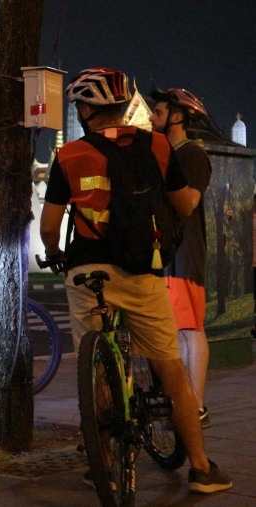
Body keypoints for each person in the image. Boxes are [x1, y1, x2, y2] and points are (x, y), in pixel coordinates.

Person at [39, 68, 231, 494]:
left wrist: (54, 253)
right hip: (143, 271)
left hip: (89, 273)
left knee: (97, 370)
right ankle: (200, 467)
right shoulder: (159, 146)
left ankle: (104, 462)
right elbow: (183, 206)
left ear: (87, 110)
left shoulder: (69, 156)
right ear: (124, 106)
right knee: (170, 367)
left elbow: (50, 225)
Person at [149, 87, 213, 428]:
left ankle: (197, 404)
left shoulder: (191, 155)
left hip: (185, 255)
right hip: (164, 254)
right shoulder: (163, 152)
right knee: (171, 331)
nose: (152, 118)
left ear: (177, 117)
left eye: (158, 112)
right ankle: (180, 401)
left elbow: (187, 202)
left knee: (189, 329)